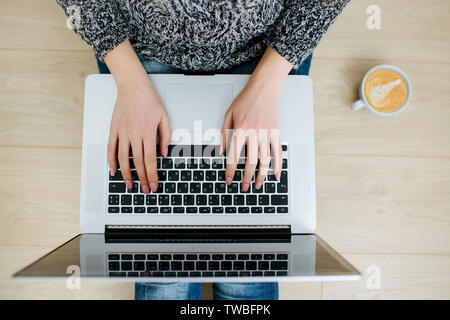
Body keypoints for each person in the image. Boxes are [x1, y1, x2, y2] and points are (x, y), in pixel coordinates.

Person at [57, 0, 349, 300]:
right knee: (166, 276)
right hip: (141, 47)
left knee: (246, 272)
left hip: (268, 46)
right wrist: (129, 79)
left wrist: (268, 83)